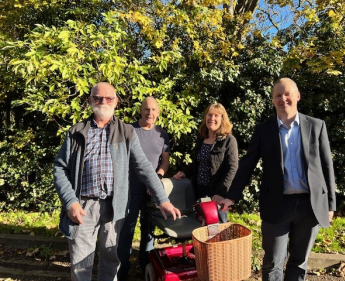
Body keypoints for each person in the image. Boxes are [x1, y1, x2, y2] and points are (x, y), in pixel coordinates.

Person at [53, 82, 181, 281]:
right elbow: (60, 168)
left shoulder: (126, 132)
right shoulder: (76, 132)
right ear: (90, 101)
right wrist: (70, 202)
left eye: (109, 98)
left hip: (115, 206)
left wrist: (162, 199)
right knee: (80, 264)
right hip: (83, 206)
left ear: (116, 102)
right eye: (98, 98)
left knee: (112, 259)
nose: (103, 102)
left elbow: (145, 168)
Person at [220, 78, 336, 281]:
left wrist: (331, 204)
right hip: (277, 205)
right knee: (273, 262)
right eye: (278, 96)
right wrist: (231, 197)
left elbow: (327, 167)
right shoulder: (264, 130)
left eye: (287, 94)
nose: (283, 99)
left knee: (299, 262)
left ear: (297, 96)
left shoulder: (316, 126)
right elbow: (247, 165)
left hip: (310, 206)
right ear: (273, 100)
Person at [117, 97, 170, 280]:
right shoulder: (128, 130)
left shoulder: (162, 134)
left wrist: (157, 178)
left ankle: (145, 267)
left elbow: (164, 162)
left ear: (158, 113)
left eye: (154, 110)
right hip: (130, 190)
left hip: (151, 191)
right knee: (126, 231)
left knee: (148, 231)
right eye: (147, 109)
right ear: (140, 110)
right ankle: (121, 271)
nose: (150, 113)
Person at [173, 103, 238, 223]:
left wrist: (221, 193)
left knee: (215, 230)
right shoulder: (202, 138)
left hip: (216, 195)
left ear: (222, 119)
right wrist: (184, 173)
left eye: (216, 115)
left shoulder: (229, 140)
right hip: (198, 191)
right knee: (198, 228)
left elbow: (232, 168)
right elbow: (197, 162)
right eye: (209, 115)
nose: (212, 118)